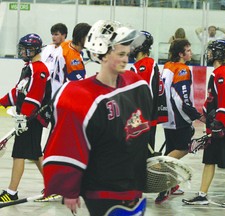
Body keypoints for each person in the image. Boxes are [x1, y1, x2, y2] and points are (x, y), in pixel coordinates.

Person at [42, 20, 153, 216]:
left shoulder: (136, 86)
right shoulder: (81, 96)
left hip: (132, 186)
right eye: (120, 54)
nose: (126, 59)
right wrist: (70, 189)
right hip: (102, 189)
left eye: (127, 54)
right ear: (101, 55)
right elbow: (70, 144)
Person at [182, 40, 225, 208]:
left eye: (211, 51)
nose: (208, 54)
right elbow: (212, 99)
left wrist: (220, 123)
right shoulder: (218, 72)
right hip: (218, 125)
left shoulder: (223, 73)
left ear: (217, 54)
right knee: (209, 160)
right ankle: (202, 195)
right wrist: (203, 116)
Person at [0, 33, 51, 202]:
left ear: (34, 50)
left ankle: (11, 192)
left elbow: (35, 95)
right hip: (28, 118)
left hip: (32, 119)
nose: (22, 52)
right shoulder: (28, 68)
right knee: (35, 154)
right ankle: (54, 186)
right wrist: (2, 102)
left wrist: (24, 117)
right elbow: (19, 91)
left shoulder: (40, 69)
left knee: (19, 154)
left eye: (25, 49)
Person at [155, 39, 204, 204]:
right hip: (178, 117)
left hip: (167, 117)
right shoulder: (182, 70)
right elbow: (181, 99)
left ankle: (171, 184)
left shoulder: (168, 66)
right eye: (188, 50)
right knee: (182, 149)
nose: (191, 53)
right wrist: (195, 115)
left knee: (172, 149)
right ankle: (163, 182)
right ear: (181, 54)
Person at [130, 30, 168, 156]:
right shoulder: (145, 64)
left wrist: (140, 118)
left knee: (142, 156)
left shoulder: (145, 65)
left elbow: (146, 94)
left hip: (144, 120)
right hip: (145, 118)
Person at [50, 22, 91, 97]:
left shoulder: (66, 44)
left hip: (56, 92)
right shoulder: (73, 59)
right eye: (88, 37)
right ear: (81, 37)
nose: (90, 40)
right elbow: (79, 84)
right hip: (64, 96)